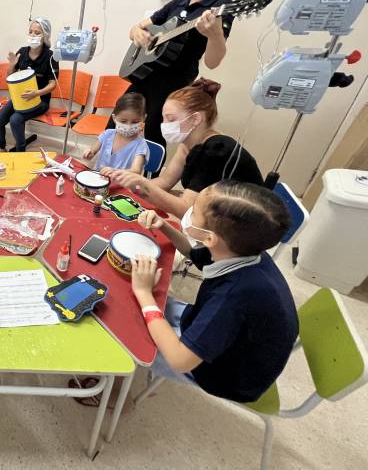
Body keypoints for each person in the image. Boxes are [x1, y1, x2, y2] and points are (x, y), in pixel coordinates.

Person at [133, 180, 297, 403]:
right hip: (230, 336)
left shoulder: (234, 296)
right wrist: (163, 225)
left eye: (195, 211)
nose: (189, 210)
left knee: (133, 342)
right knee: (149, 310)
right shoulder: (240, 249)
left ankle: (118, 399)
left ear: (210, 238)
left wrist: (144, 293)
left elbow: (180, 360)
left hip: (226, 375)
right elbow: (193, 253)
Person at [118, 0, 240, 147]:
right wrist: (136, 31)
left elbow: (212, 62)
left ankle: (149, 180)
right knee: (118, 123)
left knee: (153, 137)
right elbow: (138, 27)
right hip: (145, 75)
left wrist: (215, 35)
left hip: (171, 85)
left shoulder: (222, 6)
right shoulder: (180, 2)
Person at [107, 81, 262, 218]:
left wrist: (144, 185)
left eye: (171, 119)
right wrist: (126, 185)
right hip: (211, 212)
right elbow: (165, 181)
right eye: (164, 118)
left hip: (240, 226)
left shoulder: (215, 150)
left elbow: (186, 209)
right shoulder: (186, 144)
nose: (164, 124)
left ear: (195, 119)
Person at [0, 17, 58, 152]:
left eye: (37, 33)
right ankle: (0, 147)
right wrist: (12, 65)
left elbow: (53, 84)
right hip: (20, 98)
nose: (33, 35)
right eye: (31, 32)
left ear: (45, 35)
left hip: (40, 100)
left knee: (16, 119)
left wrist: (36, 93)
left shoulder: (51, 56)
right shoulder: (22, 51)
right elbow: (10, 77)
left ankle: (20, 151)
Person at [82, 92, 149, 174]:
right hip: (99, 180)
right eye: (123, 121)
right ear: (114, 118)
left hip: (121, 184)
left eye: (135, 122)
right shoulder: (107, 134)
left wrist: (115, 172)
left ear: (143, 119)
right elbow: (93, 151)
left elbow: (136, 170)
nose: (128, 126)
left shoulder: (141, 145)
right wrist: (89, 153)